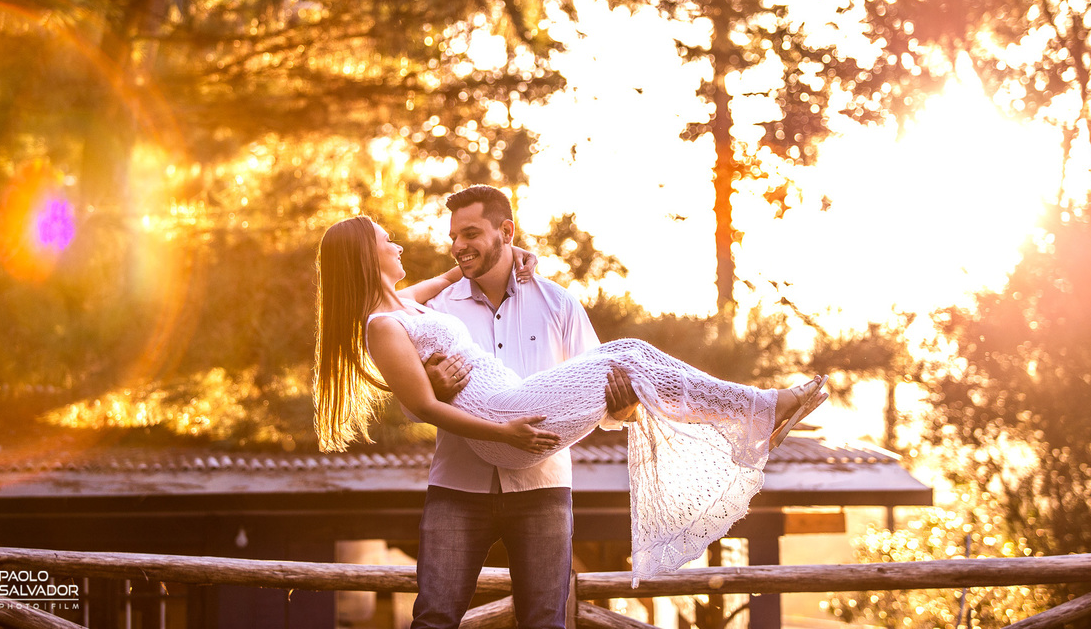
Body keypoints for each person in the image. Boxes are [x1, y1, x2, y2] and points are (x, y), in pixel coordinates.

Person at [313, 191, 828, 595]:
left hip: (538, 473)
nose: (404, 245)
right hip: (484, 452)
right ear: (366, 253)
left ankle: (752, 414)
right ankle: (760, 410)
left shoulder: (518, 302)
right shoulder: (398, 317)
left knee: (629, 362)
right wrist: (491, 424)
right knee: (438, 612)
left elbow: (609, 405)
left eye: (471, 234)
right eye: (387, 240)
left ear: (505, 233)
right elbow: (418, 402)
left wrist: (623, 402)